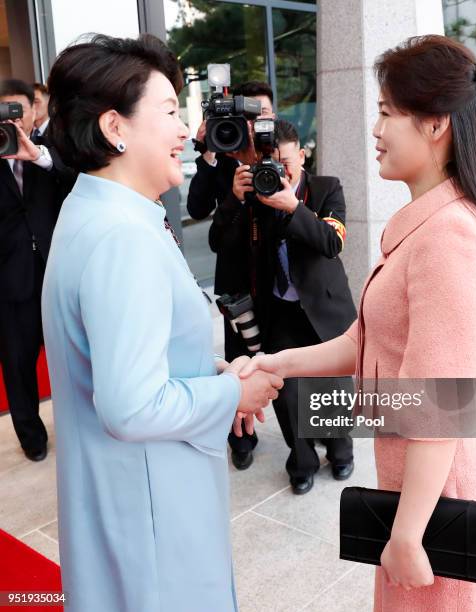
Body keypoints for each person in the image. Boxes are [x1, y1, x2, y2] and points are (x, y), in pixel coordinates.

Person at [240, 35, 476, 610]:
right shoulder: (427, 222)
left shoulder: (451, 238)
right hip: (420, 500)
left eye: (388, 113)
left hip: (444, 508)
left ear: (436, 123)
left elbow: (439, 405)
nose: (375, 130)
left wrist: (407, 534)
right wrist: (273, 362)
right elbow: (363, 340)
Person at [42, 34, 282, 612]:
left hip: (124, 500)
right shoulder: (122, 237)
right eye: (170, 111)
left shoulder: (97, 211)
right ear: (114, 128)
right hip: (153, 517)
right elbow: (130, 406)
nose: (185, 131)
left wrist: (217, 378)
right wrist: (231, 391)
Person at [210, 119, 356, 494]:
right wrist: (235, 199)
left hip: (324, 310)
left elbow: (331, 241)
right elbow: (220, 242)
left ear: (302, 156)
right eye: (271, 163)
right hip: (280, 311)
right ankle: (302, 461)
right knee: (288, 396)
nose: (279, 171)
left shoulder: (327, 188)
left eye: (286, 163)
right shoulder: (258, 196)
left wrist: (293, 208)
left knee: (334, 389)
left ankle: (341, 452)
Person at [187, 81, 276, 470]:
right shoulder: (221, 154)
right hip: (236, 278)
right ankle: (241, 439)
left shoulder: (283, 153)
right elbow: (195, 206)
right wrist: (208, 151)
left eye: (264, 116)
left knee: (297, 356)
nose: (255, 126)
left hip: (280, 279)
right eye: (249, 118)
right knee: (239, 359)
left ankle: (326, 440)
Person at [0, 79, 65, 461]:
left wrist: (36, 155)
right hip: (10, 281)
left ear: (33, 110)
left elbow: (73, 178)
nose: (12, 118)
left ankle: (78, 426)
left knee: (69, 358)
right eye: (3, 110)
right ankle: (31, 437)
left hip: (56, 273)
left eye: (17, 110)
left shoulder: (50, 151)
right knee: (18, 363)